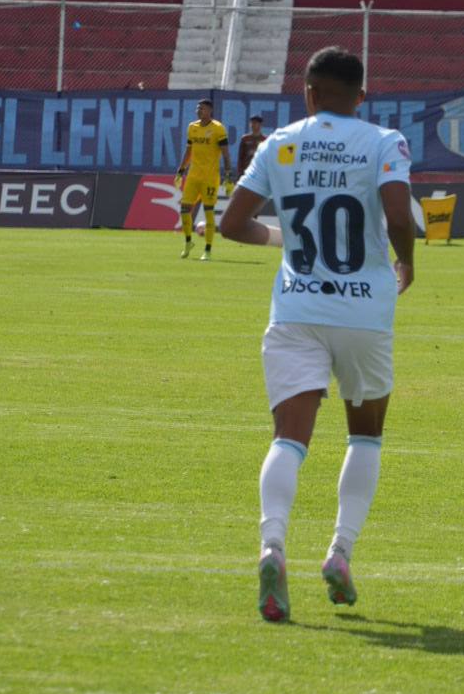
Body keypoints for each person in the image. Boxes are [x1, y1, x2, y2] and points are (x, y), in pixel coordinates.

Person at [219, 46, 415, 623]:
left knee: (289, 440)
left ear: (307, 93)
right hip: (364, 314)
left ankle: (272, 546)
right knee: (366, 436)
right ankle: (340, 552)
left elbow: (232, 223)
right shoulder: (384, 142)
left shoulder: (279, 144)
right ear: (362, 96)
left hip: (296, 310)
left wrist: (282, 239)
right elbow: (398, 216)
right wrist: (407, 262)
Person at [174, 97, 234, 261]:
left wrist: (228, 175)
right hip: (193, 176)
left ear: (210, 111)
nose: (198, 111)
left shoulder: (218, 129)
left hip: (210, 177)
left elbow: (226, 154)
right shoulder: (192, 127)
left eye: (202, 108)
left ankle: (207, 250)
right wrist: (180, 171)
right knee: (184, 210)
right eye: (197, 108)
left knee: (208, 212)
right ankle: (188, 242)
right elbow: (188, 151)